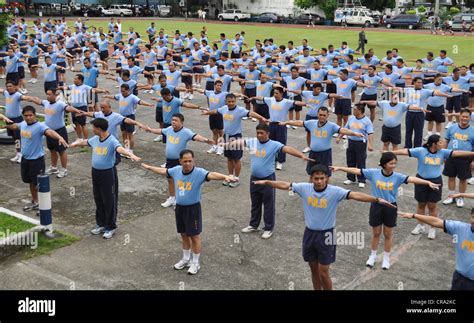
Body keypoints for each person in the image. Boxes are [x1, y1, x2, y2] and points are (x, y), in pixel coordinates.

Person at [253, 164, 395, 290]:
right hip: (309, 234)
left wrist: (376, 199)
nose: (319, 181)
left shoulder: (335, 192)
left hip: (327, 235)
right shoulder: (304, 188)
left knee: (323, 271)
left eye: (322, 178)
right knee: (313, 270)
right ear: (311, 179)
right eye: (316, 178)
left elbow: (355, 195)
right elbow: (285, 185)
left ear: (327, 178)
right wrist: (267, 182)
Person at [331, 152, 440, 270]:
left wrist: (427, 182)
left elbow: (412, 179)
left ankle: (386, 258)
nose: (393, 166)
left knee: (388, 234)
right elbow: (356, 171)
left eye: (395, 163)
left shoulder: (397, 176)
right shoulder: (373, 173)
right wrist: (340, 168)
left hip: (391, 207)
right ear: (383, 164)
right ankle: (372, 256)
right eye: (391, 163)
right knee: (376, 233)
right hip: (376, 205)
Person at [142, 149, 234, 275]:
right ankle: (186, 259)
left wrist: (225, 176)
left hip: (193, 209)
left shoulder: (199, 173)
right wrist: (149, 167)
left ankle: (195, 263)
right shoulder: (176, 170)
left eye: (190, 161)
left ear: (193, 160)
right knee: (184, 235)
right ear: (180, 161)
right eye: (185, 161)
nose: (187, 163)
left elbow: (212, 175)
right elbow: (164, 171)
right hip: (179, 208)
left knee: (194, 236)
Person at [221, 123, 314, 238]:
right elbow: (239, 142)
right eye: (258, 133)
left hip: (268, 178)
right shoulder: (253, 142)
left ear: (268, 133)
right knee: (255, 203)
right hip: (254, 178)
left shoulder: (274, 145)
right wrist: (226, 144)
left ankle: (268, 228)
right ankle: (254, 225)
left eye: (262, 133)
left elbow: (287, 149)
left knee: (268, 204)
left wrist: (301, 156)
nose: (259, 135)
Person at [391, 135, 474, 239]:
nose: (443, 144)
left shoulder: (443, 152)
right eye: (440, 142)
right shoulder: (420, 151)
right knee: (421, 204)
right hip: (421, 181)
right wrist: (390, 152)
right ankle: (420, 225)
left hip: (436, 181)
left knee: (432, 206)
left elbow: (457, 153)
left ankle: (432, 228)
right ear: (434, 144)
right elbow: (405, 151)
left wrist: (472, 153)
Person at [69, 118, 141, 239]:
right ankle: (101, 224)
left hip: (108, 173)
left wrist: (130, 154)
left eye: (93, 128)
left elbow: (119, 149)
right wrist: (75, 144)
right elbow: (86, 142)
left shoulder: (111, 140)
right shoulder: (96, 139)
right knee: (98, 198)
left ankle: (110, 226)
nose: (92, 130)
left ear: (99, 129)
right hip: (95, 172)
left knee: (109, 200)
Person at [144, 113, 214, 208]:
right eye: (172, 120)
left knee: (180, 180)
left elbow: (195, 136)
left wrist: (205, 140)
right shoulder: (169, 129)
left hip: (180, 161)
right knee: (169, 179)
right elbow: (160, 131)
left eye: (176, 120)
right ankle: (172, 198)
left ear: (182, 122)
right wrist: (150, 130)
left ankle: (179, 199)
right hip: (169, 160)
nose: (173, 122)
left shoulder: (186, 132)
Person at [6, 106, 68, 211]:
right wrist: (6, 125)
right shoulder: (23, 124)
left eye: (30, 115)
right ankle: (35, 201)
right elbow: (15, 126)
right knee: (30, 182)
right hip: (25, 160)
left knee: (39, 184)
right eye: (26, 116)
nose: (28, 118)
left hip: (37, 161)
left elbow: (49, 132)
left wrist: (60, 137)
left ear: (35, 115)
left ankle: (44, 205)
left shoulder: (40, 126)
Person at [398, 209, 474, 290]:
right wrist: (414, 215)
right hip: (459, 279)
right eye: (473, 217)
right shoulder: (460, 228)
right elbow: (436, 222)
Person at [202, 93, 266, 186]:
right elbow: (216, 111)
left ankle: (236, 178)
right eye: (229, 102)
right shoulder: (223, 109)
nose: (231, 103)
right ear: (226, 101)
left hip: (236, 137)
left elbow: (250, 113)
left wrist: (261, 117)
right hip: (226, 137)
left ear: (235, 101)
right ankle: (230, 176)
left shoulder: (240, 110)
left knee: (236, 159)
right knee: (229, 158)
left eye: (233, 101)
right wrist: (207, 112)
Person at [282, 106, 363, 175]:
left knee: (325, 174)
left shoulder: (332, 126)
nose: (322, 117)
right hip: (313, 153)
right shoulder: (311, 123)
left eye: (324, 115)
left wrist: (355, 133)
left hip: (325, 155)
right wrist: (286, 122)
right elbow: (300, 123)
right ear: (317, 114)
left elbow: (343, 130)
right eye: (320, 115)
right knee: (311, 173)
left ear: (328, 115)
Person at [28, 89, 85, 178]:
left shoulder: (60, 104)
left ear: (55, 95)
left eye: (50, 94)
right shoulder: (46, 103)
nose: (48, 96)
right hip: (49, 131)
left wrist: (76, 111)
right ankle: (54, 167)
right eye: (47, 94)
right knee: (52, 150)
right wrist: (30, 99)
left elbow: (68, 108)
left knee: (61, 151)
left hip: (60, 131)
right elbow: (38, 101)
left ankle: (64, 169)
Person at [442, 109, 474, 208]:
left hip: (465, 158)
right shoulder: (451, 128)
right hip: (451, 156)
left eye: (467, 117)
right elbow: (445, 142)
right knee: (451, 177)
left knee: (463, 179)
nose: (464, 118)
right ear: (460, 116)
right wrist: (443, 154)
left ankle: (460, 197)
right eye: (463, 116)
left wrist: (473, 161)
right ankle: (451, 196)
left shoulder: (473, 131)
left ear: (470, 118)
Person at [1, 81, 38, 163]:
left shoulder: (17, 95)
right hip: (9, 120)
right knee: (15, 138)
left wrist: (33, 99)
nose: (8, 88)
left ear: (15, 87)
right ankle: (18, 153)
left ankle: (22, 154)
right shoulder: (6, 93)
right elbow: (1, 90)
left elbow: (25, 98)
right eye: (7, 86)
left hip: (17, 119)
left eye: (10, 86)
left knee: (19, 138)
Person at [338, 104, 374, 188]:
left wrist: (370, 145)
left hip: (360, 143)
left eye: (354, 109)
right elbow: (346, 129)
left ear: (360, 111)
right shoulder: (351, 118)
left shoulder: (367, 121)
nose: (353, 110)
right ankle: (350, 178)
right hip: (350, 142)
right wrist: (339, 137)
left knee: (361, 161)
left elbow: (370, 134)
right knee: (350, 160)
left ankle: (361, 180)